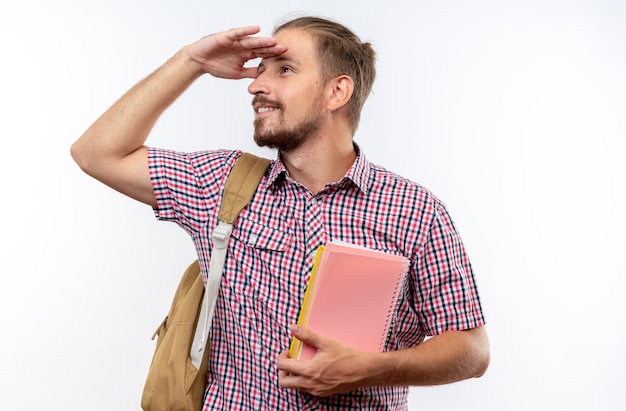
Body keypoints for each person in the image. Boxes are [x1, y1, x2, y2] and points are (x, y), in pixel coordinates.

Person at [71, 15, 490, 410]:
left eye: (284, 70)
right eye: (261, 70)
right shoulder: (220, 184)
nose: (256, 86)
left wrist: (372, 369)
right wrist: (190, 61)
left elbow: (471, 351)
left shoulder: (414, 210)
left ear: (336, 92)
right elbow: (96, 153)